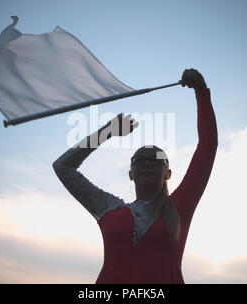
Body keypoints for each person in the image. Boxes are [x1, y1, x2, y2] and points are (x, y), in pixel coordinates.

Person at [53, 68, 218, 284]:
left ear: (167, 173)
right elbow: (63, 167)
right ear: (131, 174)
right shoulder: (108, 208)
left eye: (156, 159)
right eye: (139, 160)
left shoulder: (179, 207)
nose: (147, 163)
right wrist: (106, 132)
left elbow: (207, 146)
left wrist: (201, 91)